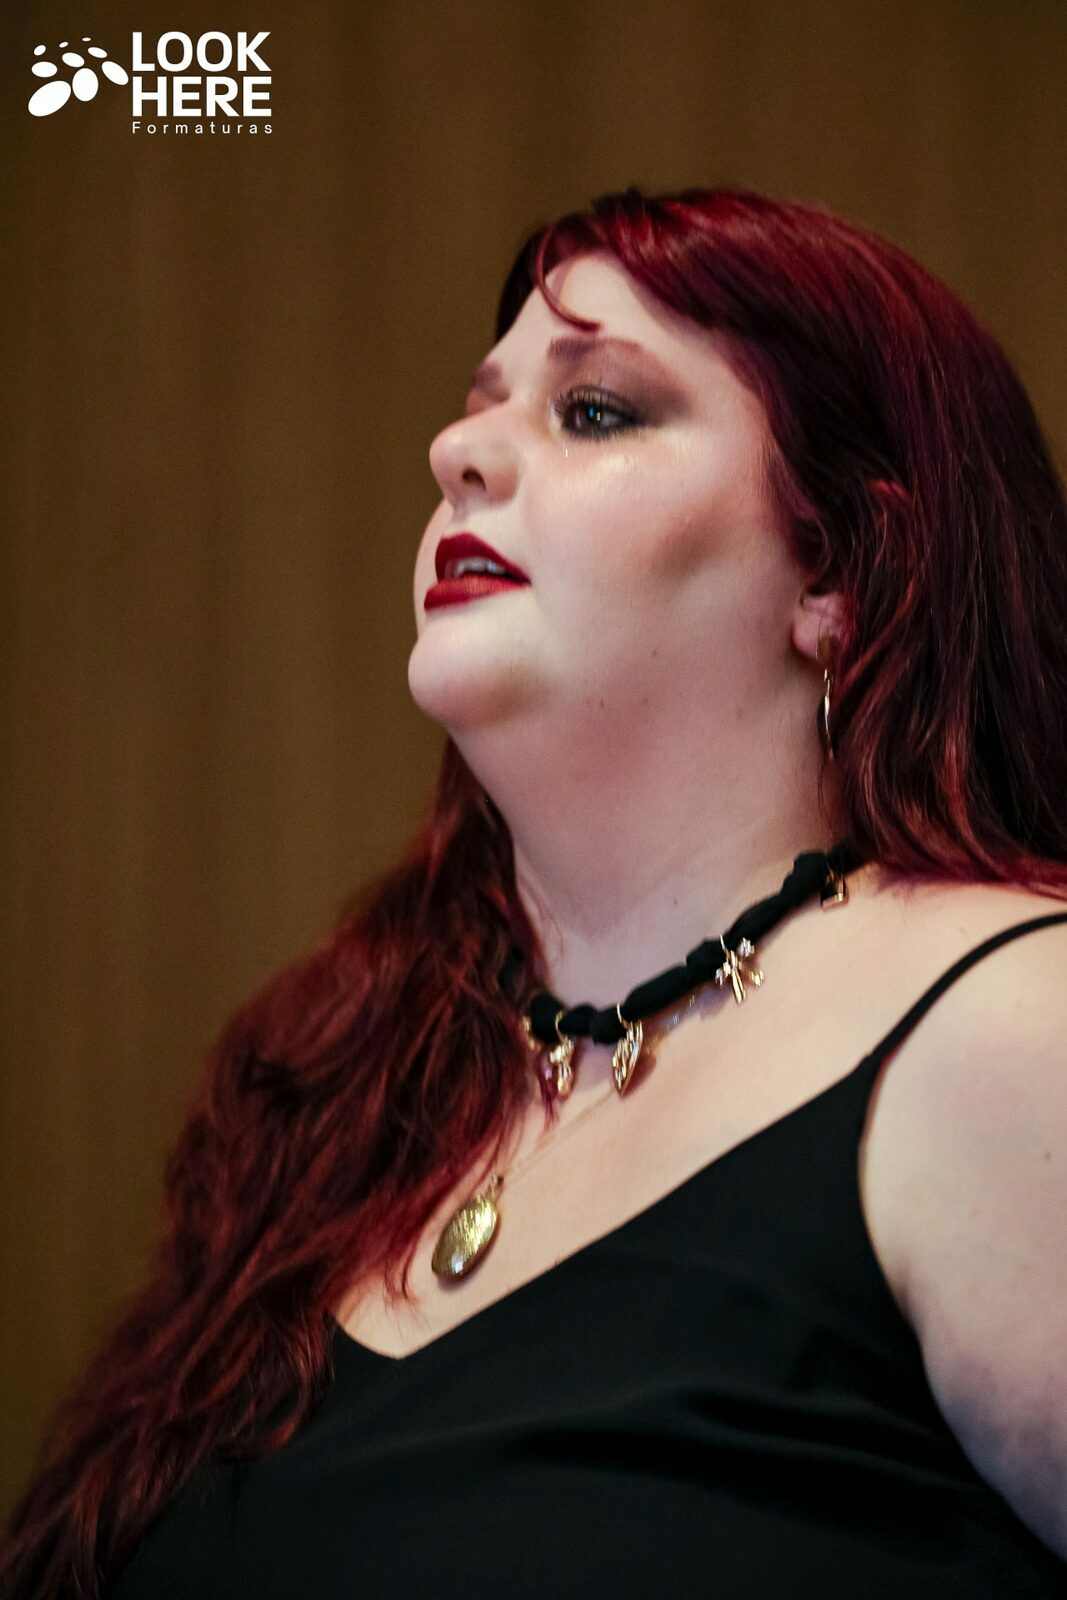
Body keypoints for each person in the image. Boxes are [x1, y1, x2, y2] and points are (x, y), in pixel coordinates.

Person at [2, 183, 1067, 1599]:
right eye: (481, 407)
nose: (456, 453)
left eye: (595, 410)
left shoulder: (1013, 1030)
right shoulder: (346, 1086)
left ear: (838, 574)